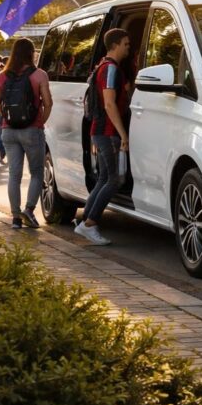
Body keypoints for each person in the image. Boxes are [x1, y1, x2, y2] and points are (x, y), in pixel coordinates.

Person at [75, 29, 132, 246]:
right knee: (114, 179)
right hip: (107, 132)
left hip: (98, 131)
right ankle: (90, 224)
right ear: (115, 44)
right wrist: (123, 133)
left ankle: (84, 222)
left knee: (103, 178)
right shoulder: (110, 69)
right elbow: (109, 103)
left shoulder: (102, 66)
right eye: (126, 43)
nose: (128, 47)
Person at [0, 38, 52, 229]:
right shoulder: (39, 74)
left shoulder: (2, 76)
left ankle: (16, 219)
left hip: (8, 131)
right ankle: (29, 210)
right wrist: (40, 121)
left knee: (14, 175)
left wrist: (9, 118)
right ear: (31, 53)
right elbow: (48, 102)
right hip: (32, 130)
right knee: (36, 173)